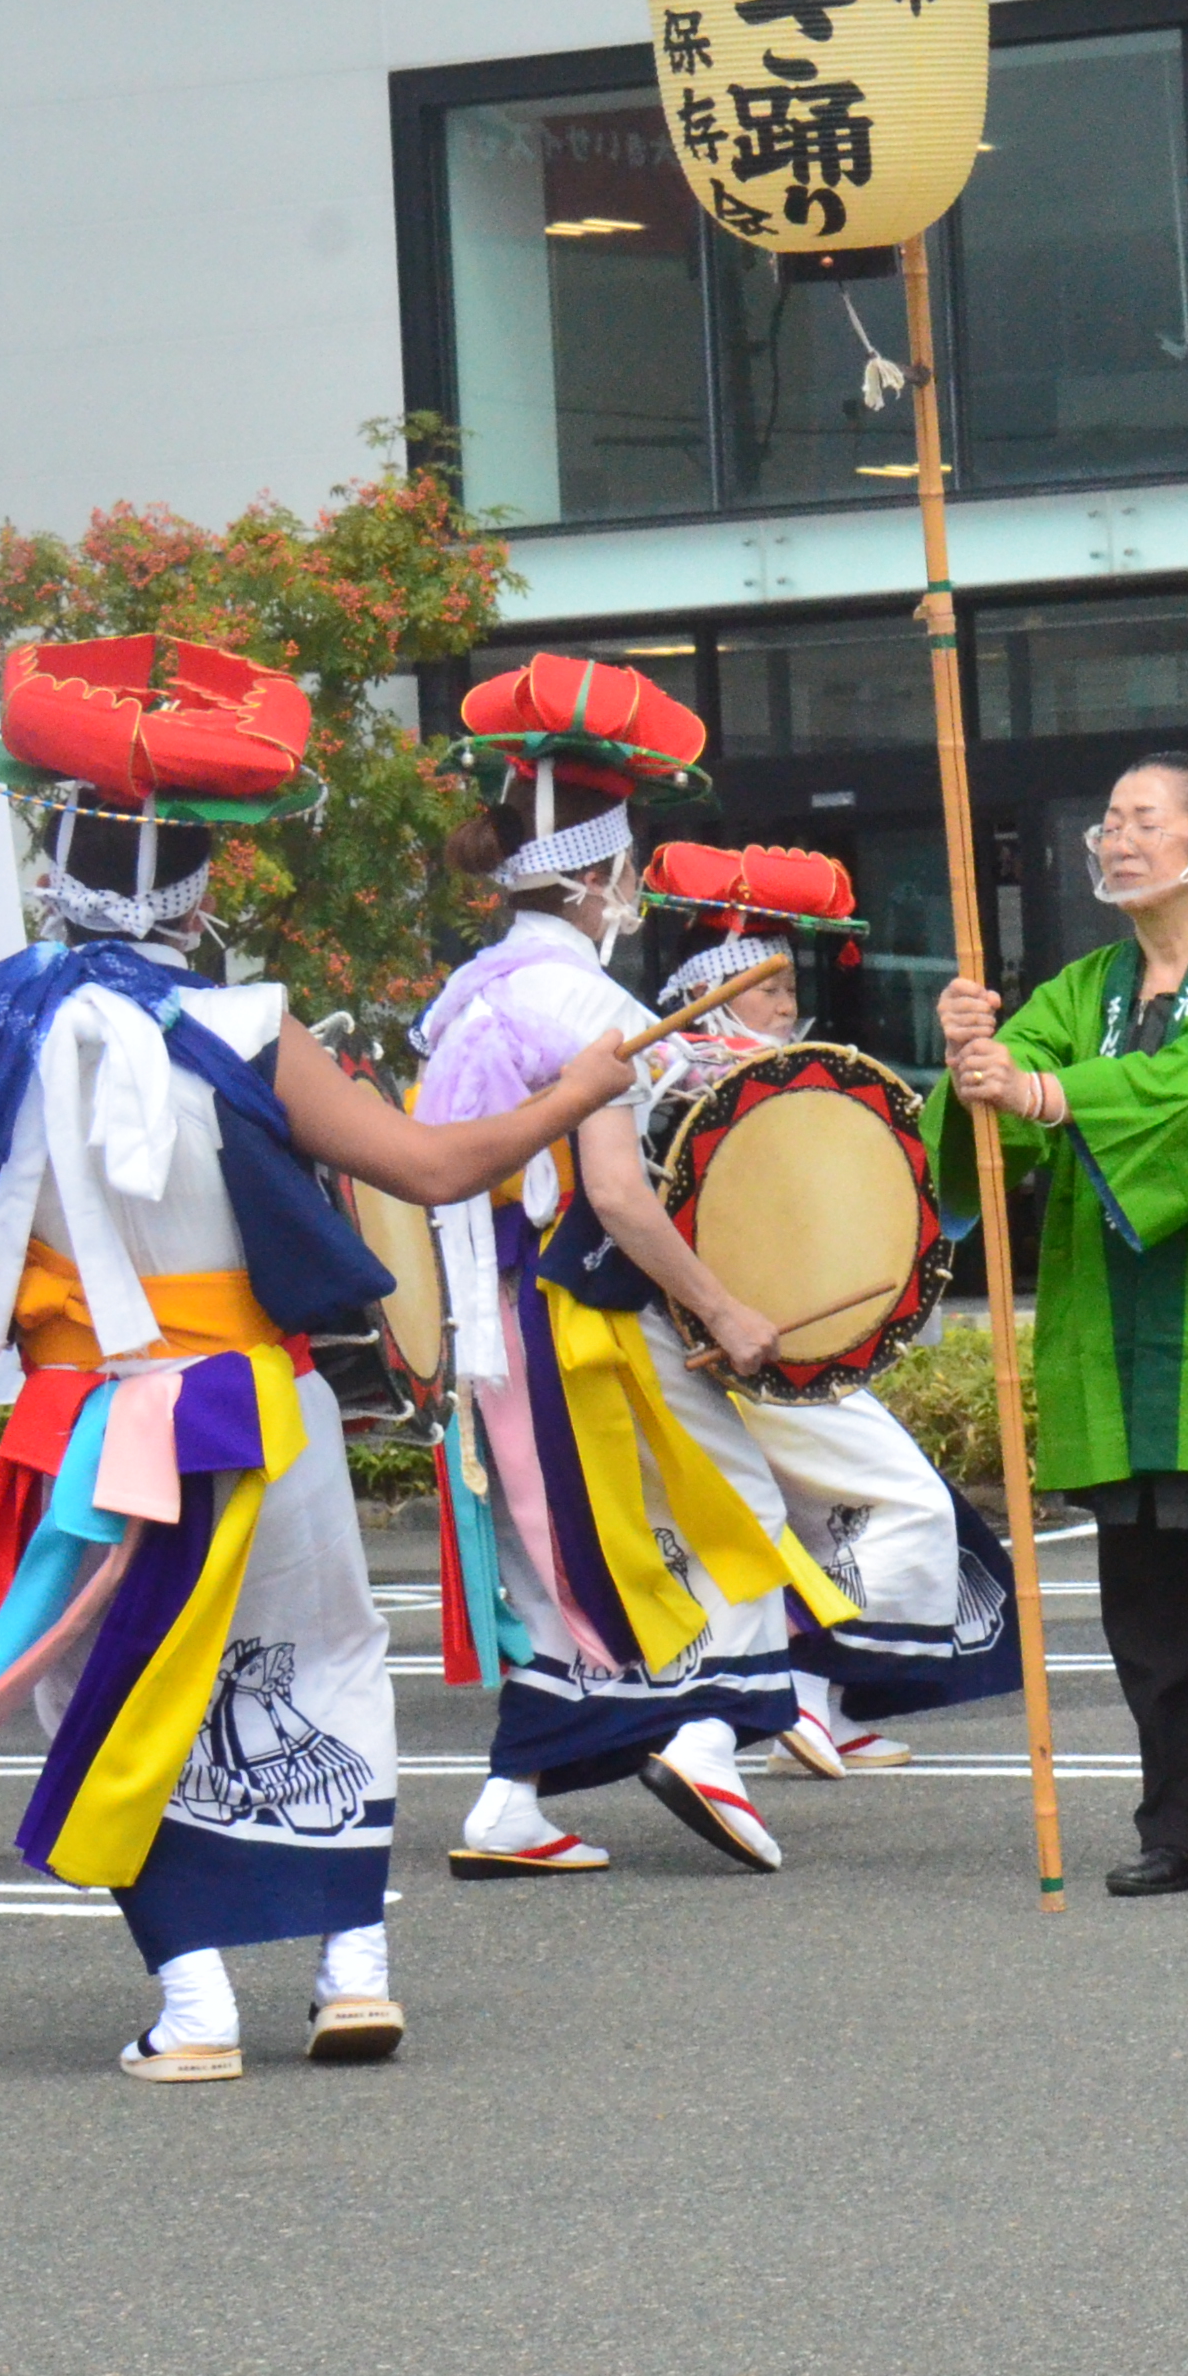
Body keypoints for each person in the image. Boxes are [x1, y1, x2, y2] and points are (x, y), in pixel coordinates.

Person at [0, 639, 639, 2077]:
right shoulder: (251, 1028)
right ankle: (351, 1970)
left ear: (56, 872)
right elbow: (440, 1165)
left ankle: (197, 2001)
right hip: (261, 1410)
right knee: (321, 1659)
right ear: (197, 894)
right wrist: (580, 1089)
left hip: (82, 1424)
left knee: (107, 1691)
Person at [418, 658, 854, 1881]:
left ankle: (513, 1804)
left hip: (494, 1312)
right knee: (732, 1511)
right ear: (599, 877)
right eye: (627, 872)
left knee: (555, 1553)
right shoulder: (576, 1002)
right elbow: (613, 1187)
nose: (631, 894)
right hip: (580, 1305)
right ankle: (711, 1737)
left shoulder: (467, 993)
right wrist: (724, 1301)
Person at [932, 751, 1188, 1899]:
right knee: (1149, 1610)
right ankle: (1181, 1822)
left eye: (1141, 819)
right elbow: (999, 1117)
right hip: (1114, 1340)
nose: (1114, 837)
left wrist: (1053, 1094)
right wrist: (975, 1050)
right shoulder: (1087, 989)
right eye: (1106, 819)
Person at [632, 846, 1022, 1780]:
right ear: (716, 987)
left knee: (818, 1518)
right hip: (751, 1343)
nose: (781, 1000)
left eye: (787, 981)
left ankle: (822, 1706)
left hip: (756, 1340)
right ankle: (799, 1698)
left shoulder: (727, 1072)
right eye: (765, 982)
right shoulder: (689, 1077)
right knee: (904, 1504)